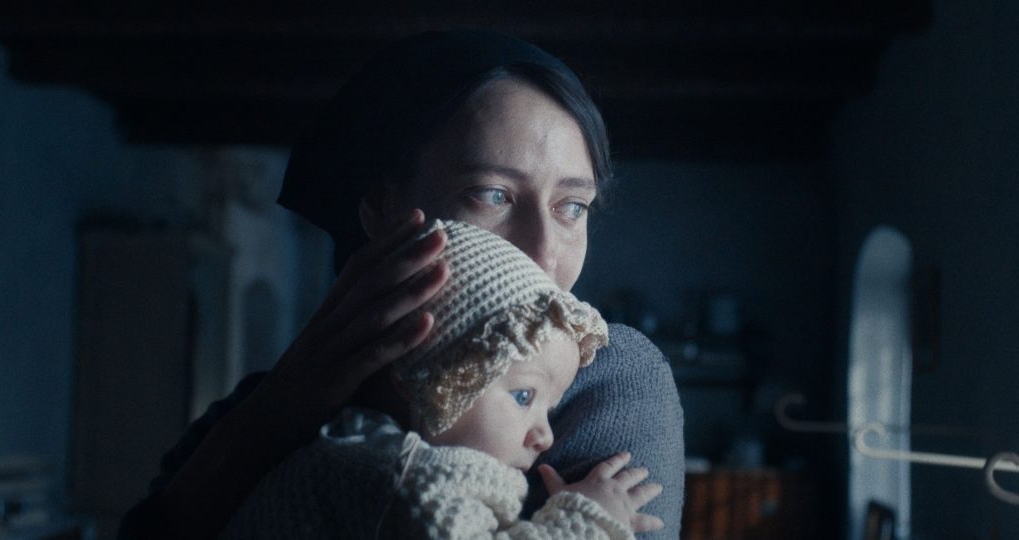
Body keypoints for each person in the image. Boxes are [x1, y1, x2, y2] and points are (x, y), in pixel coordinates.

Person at [118, 29, 684, 539]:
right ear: (384, 209)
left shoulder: (607, 374)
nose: (542, 252)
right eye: (492, 194)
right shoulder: (267, 400)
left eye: (572, 206)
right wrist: (283, 406)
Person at [218, 219, 662, 539]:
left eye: (549, 407)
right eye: (524, 396)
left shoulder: (376, 451)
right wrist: (586, 519)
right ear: (428, 378)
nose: (544, 436)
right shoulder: (405, 480)